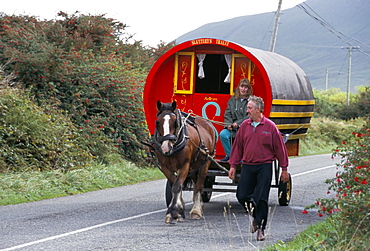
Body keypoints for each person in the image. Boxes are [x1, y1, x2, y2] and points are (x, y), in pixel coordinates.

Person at [228, 95, 290, 241]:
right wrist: (232, 165)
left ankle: (261, 228)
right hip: (248, 166)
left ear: (258, 109)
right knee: (242, 195)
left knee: (261, 198)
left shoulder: (270, 127)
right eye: (247, 108)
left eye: (249, 108)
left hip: (264, 166)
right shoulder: (244, 126)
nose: (247, 111)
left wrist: (284, 168)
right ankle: (256, 216)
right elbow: (237, 147)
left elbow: (280, 149)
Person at [219, 78, 253, 161]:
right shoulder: (233, 100)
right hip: (233, 128)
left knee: (243, 137)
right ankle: (230, 155)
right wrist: (228, 125)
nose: (243, 89)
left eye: (246, 87)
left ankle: (242, 157)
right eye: (242, 87)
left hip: (245, 128)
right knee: (223, 134)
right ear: (239, 87)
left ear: (248, 89)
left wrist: (238, 123)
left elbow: (250, 115)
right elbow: (228, 113)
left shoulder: (251, 101)